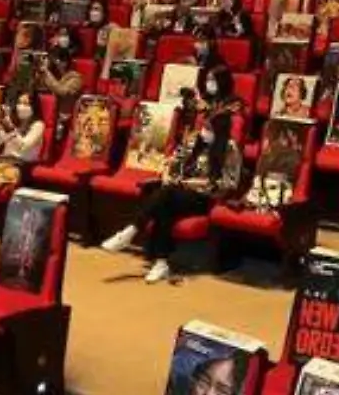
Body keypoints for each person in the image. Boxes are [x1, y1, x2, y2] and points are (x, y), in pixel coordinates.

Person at [100, 66, 245, 284]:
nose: (204, 130)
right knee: (165, 201)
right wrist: (168, 173)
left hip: (202, 197)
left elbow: (228, 183)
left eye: (209, 128)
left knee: (166, 196)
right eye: (204, 126)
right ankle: (160, 263)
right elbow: (173, 159)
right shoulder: (196, 141)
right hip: (179, 191)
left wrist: (191, 183)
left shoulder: (229, 149)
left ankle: (131, 231)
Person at [37, 43, 84, 142]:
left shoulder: (75, 78)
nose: (51, 63)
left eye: (53, 60)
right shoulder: (52, 75)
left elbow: (61, 91)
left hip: (64, 117)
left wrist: (46, 72)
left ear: (63, 62)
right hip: (46, 113)